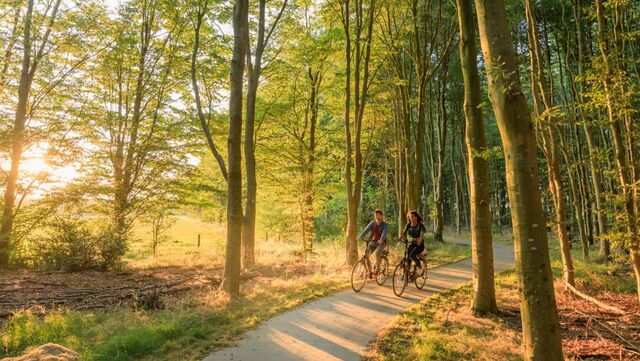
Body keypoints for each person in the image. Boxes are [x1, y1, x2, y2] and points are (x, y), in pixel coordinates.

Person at [358, 209, 388, 274]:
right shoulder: (373, 223)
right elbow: (366, 230)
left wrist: (381, 239)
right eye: (376, 215)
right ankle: (370, 270)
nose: (377, 216)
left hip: (382, 243)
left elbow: (384, 233)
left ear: (381, 216)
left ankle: (378, 269)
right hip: (374, 242)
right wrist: (361, 236)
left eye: (378, 215)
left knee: (377, 253)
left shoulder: (384, 224)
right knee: (366, 255)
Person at [402, 210, 426, 279]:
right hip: (411, 244)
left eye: (412, 217)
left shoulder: (420, 225)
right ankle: (407, 274)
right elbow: (404, 233)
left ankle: (419, 266)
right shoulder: (408, 224)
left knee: (411, 255)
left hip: (419, 245)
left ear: (416, 217)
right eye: (410, 217)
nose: (411, 218)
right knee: (407, 257)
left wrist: (419, 240)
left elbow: (421, 235)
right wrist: (401, 238)